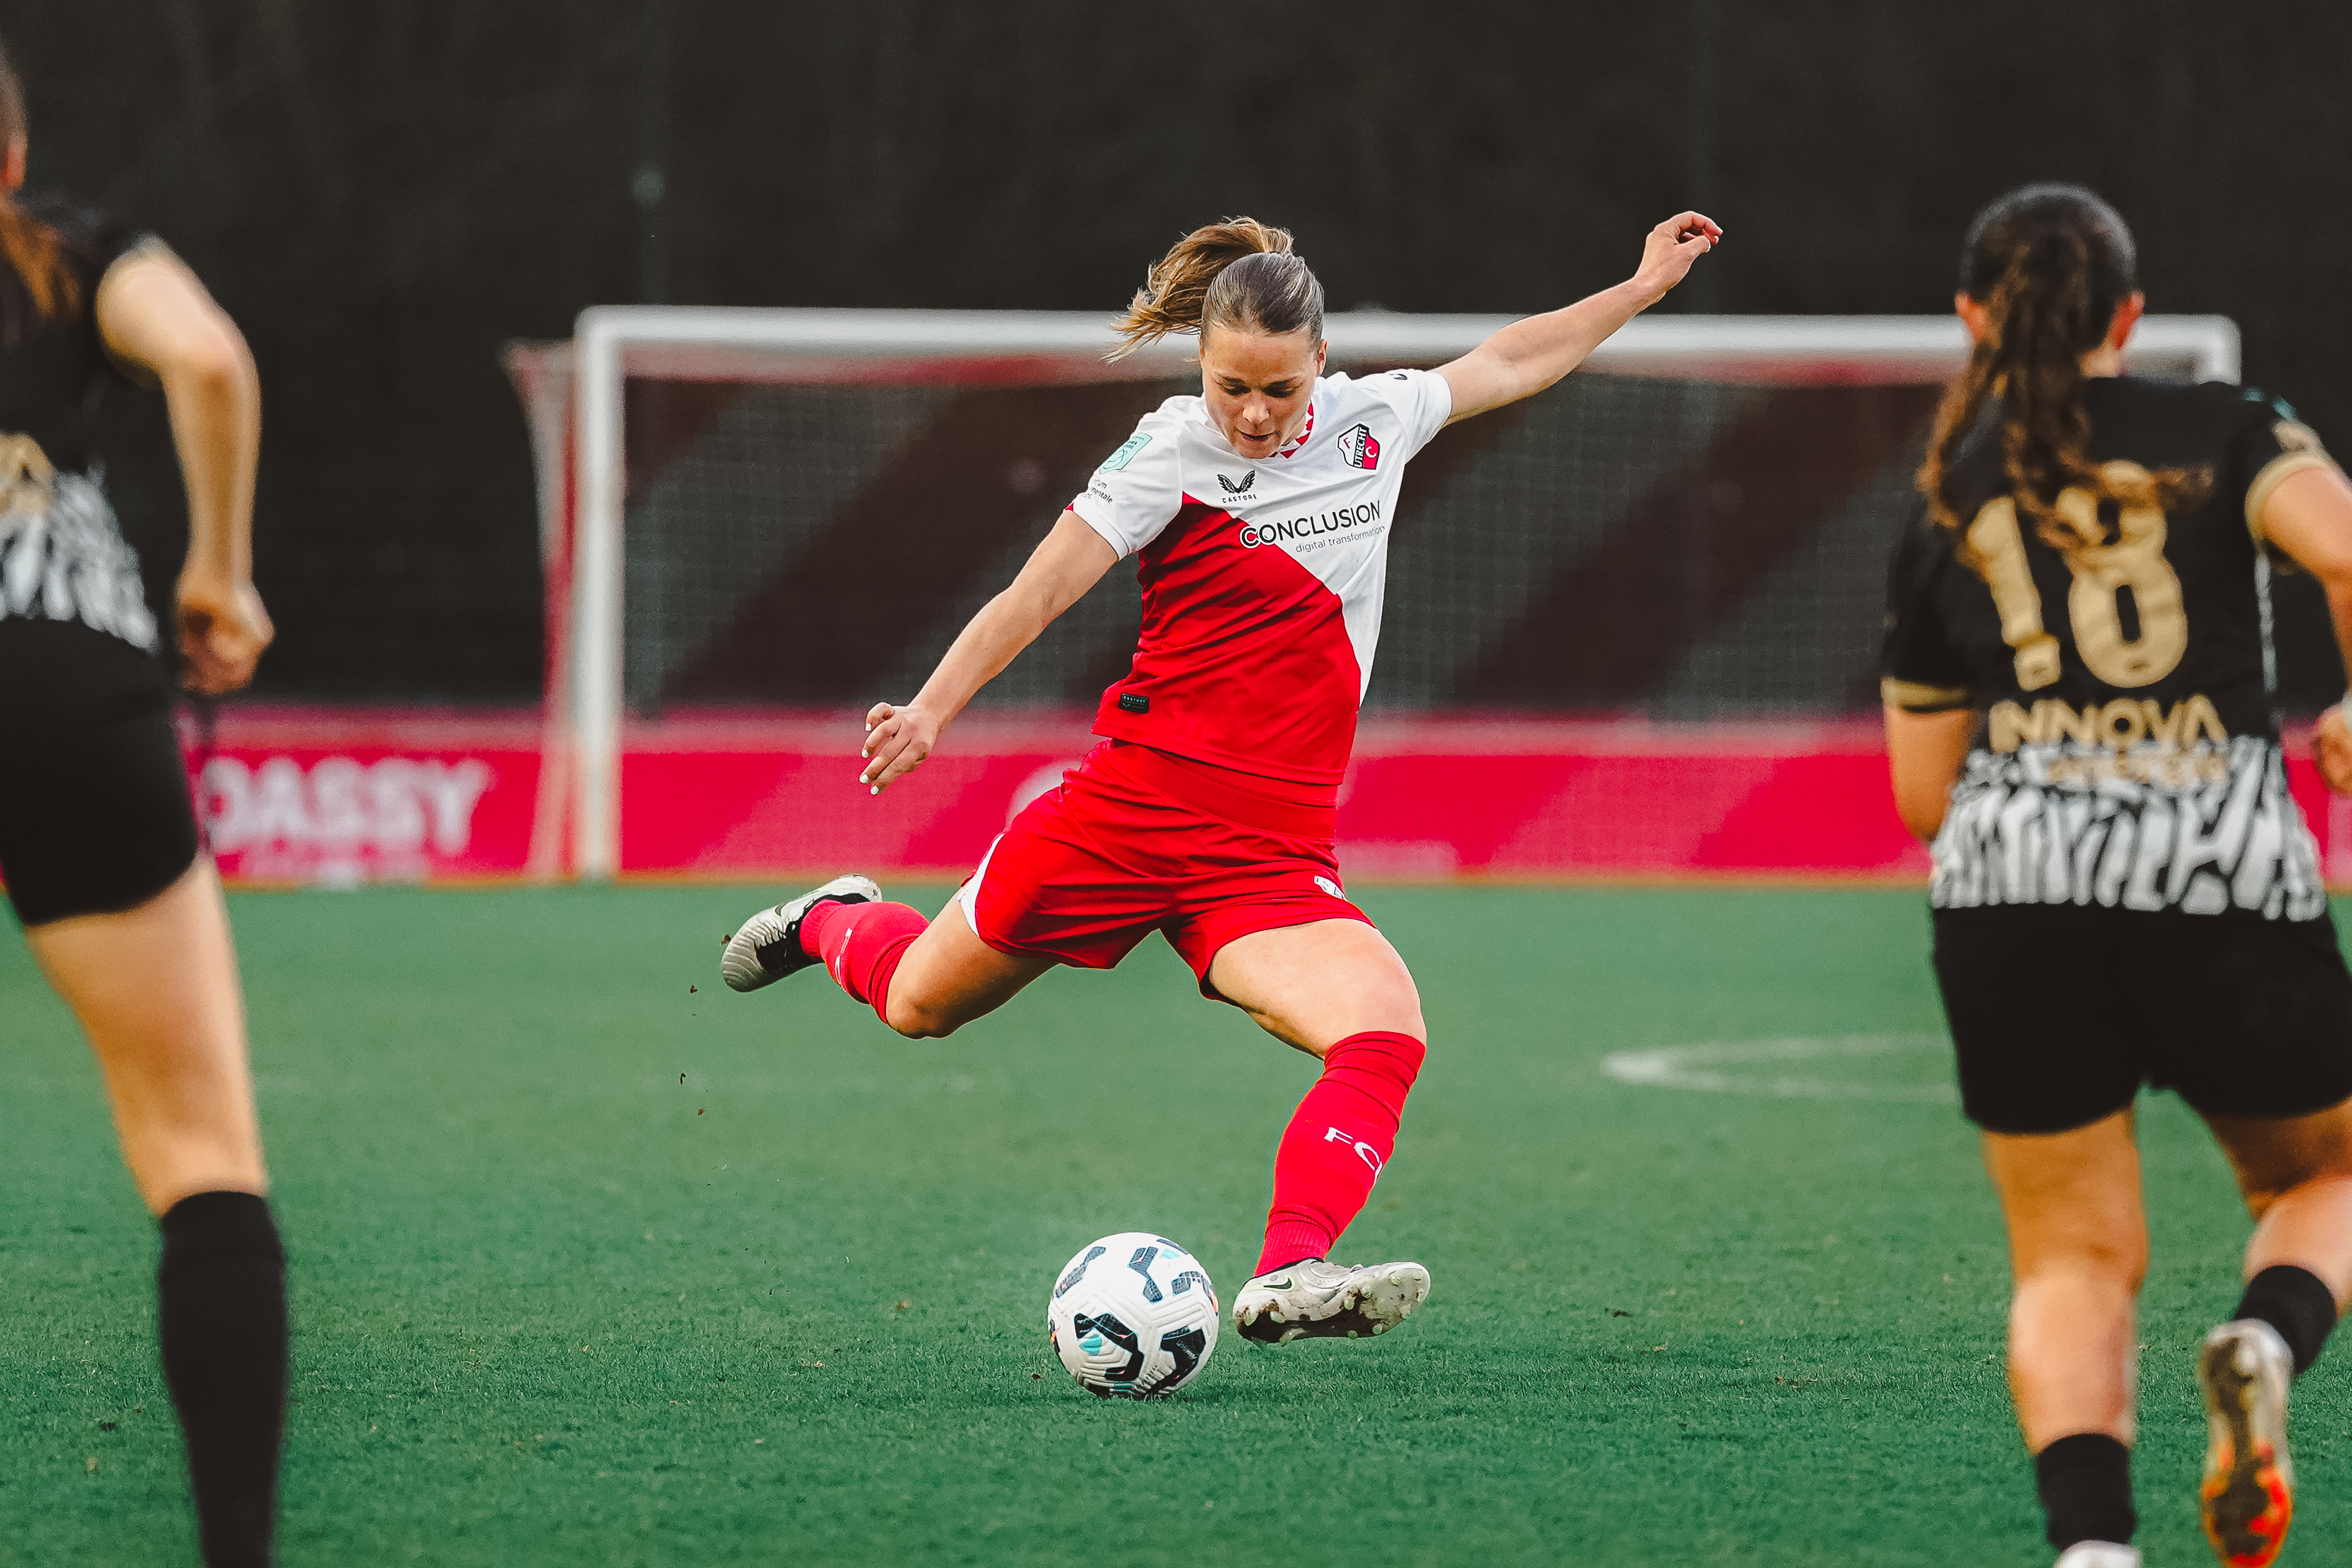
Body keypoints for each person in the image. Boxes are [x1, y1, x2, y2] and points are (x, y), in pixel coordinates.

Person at [723, 210, 1718, 1345]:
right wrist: (933, 708)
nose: (1252, 414)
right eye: (1229, 386)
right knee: (916, 1007)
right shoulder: (1166, 451)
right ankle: (836, 921)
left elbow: (1512, 359)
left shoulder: (1375, 424)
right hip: (1125, 816)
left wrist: (1638, 286)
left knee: (1386, 1028)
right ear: (1201, 364)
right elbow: (1038, 593)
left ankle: (1290, 1268)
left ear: (1321, 368)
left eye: (1280, 391)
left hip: (1270, 853)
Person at [1882, 183, 2352, 1568]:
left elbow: (1923, 796)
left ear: (1971, 316)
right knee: (2322, 1173)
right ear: (2129, 320)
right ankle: (2265, 1334)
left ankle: (2092, 1547)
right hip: (2218, 872)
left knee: (2072, 1259)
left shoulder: (1943, 497)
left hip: (2011, 892)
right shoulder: (2228, 428)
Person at [0, 34, 285, 1568]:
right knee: (197, 1145)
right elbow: (213, 358)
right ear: (13, 155)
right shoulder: (69, 252)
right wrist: (216, 570)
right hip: (59, 672)